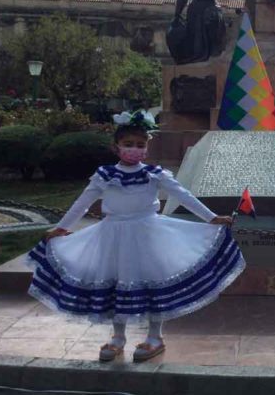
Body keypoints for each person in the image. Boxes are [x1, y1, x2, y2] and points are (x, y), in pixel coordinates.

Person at [26, 110, 243, 362]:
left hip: (148, 233)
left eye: (140, 145)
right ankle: (118, 338)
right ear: (116, 147)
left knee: (154, 282)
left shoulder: (154, 174)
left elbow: (183, 195)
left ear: (147, 148)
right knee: (115, 283)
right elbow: (81, 203)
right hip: (112, 235)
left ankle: (155, 336)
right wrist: (62, 227)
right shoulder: (105, 175)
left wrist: (211, 217)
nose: (134, 149)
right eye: (128, 144)